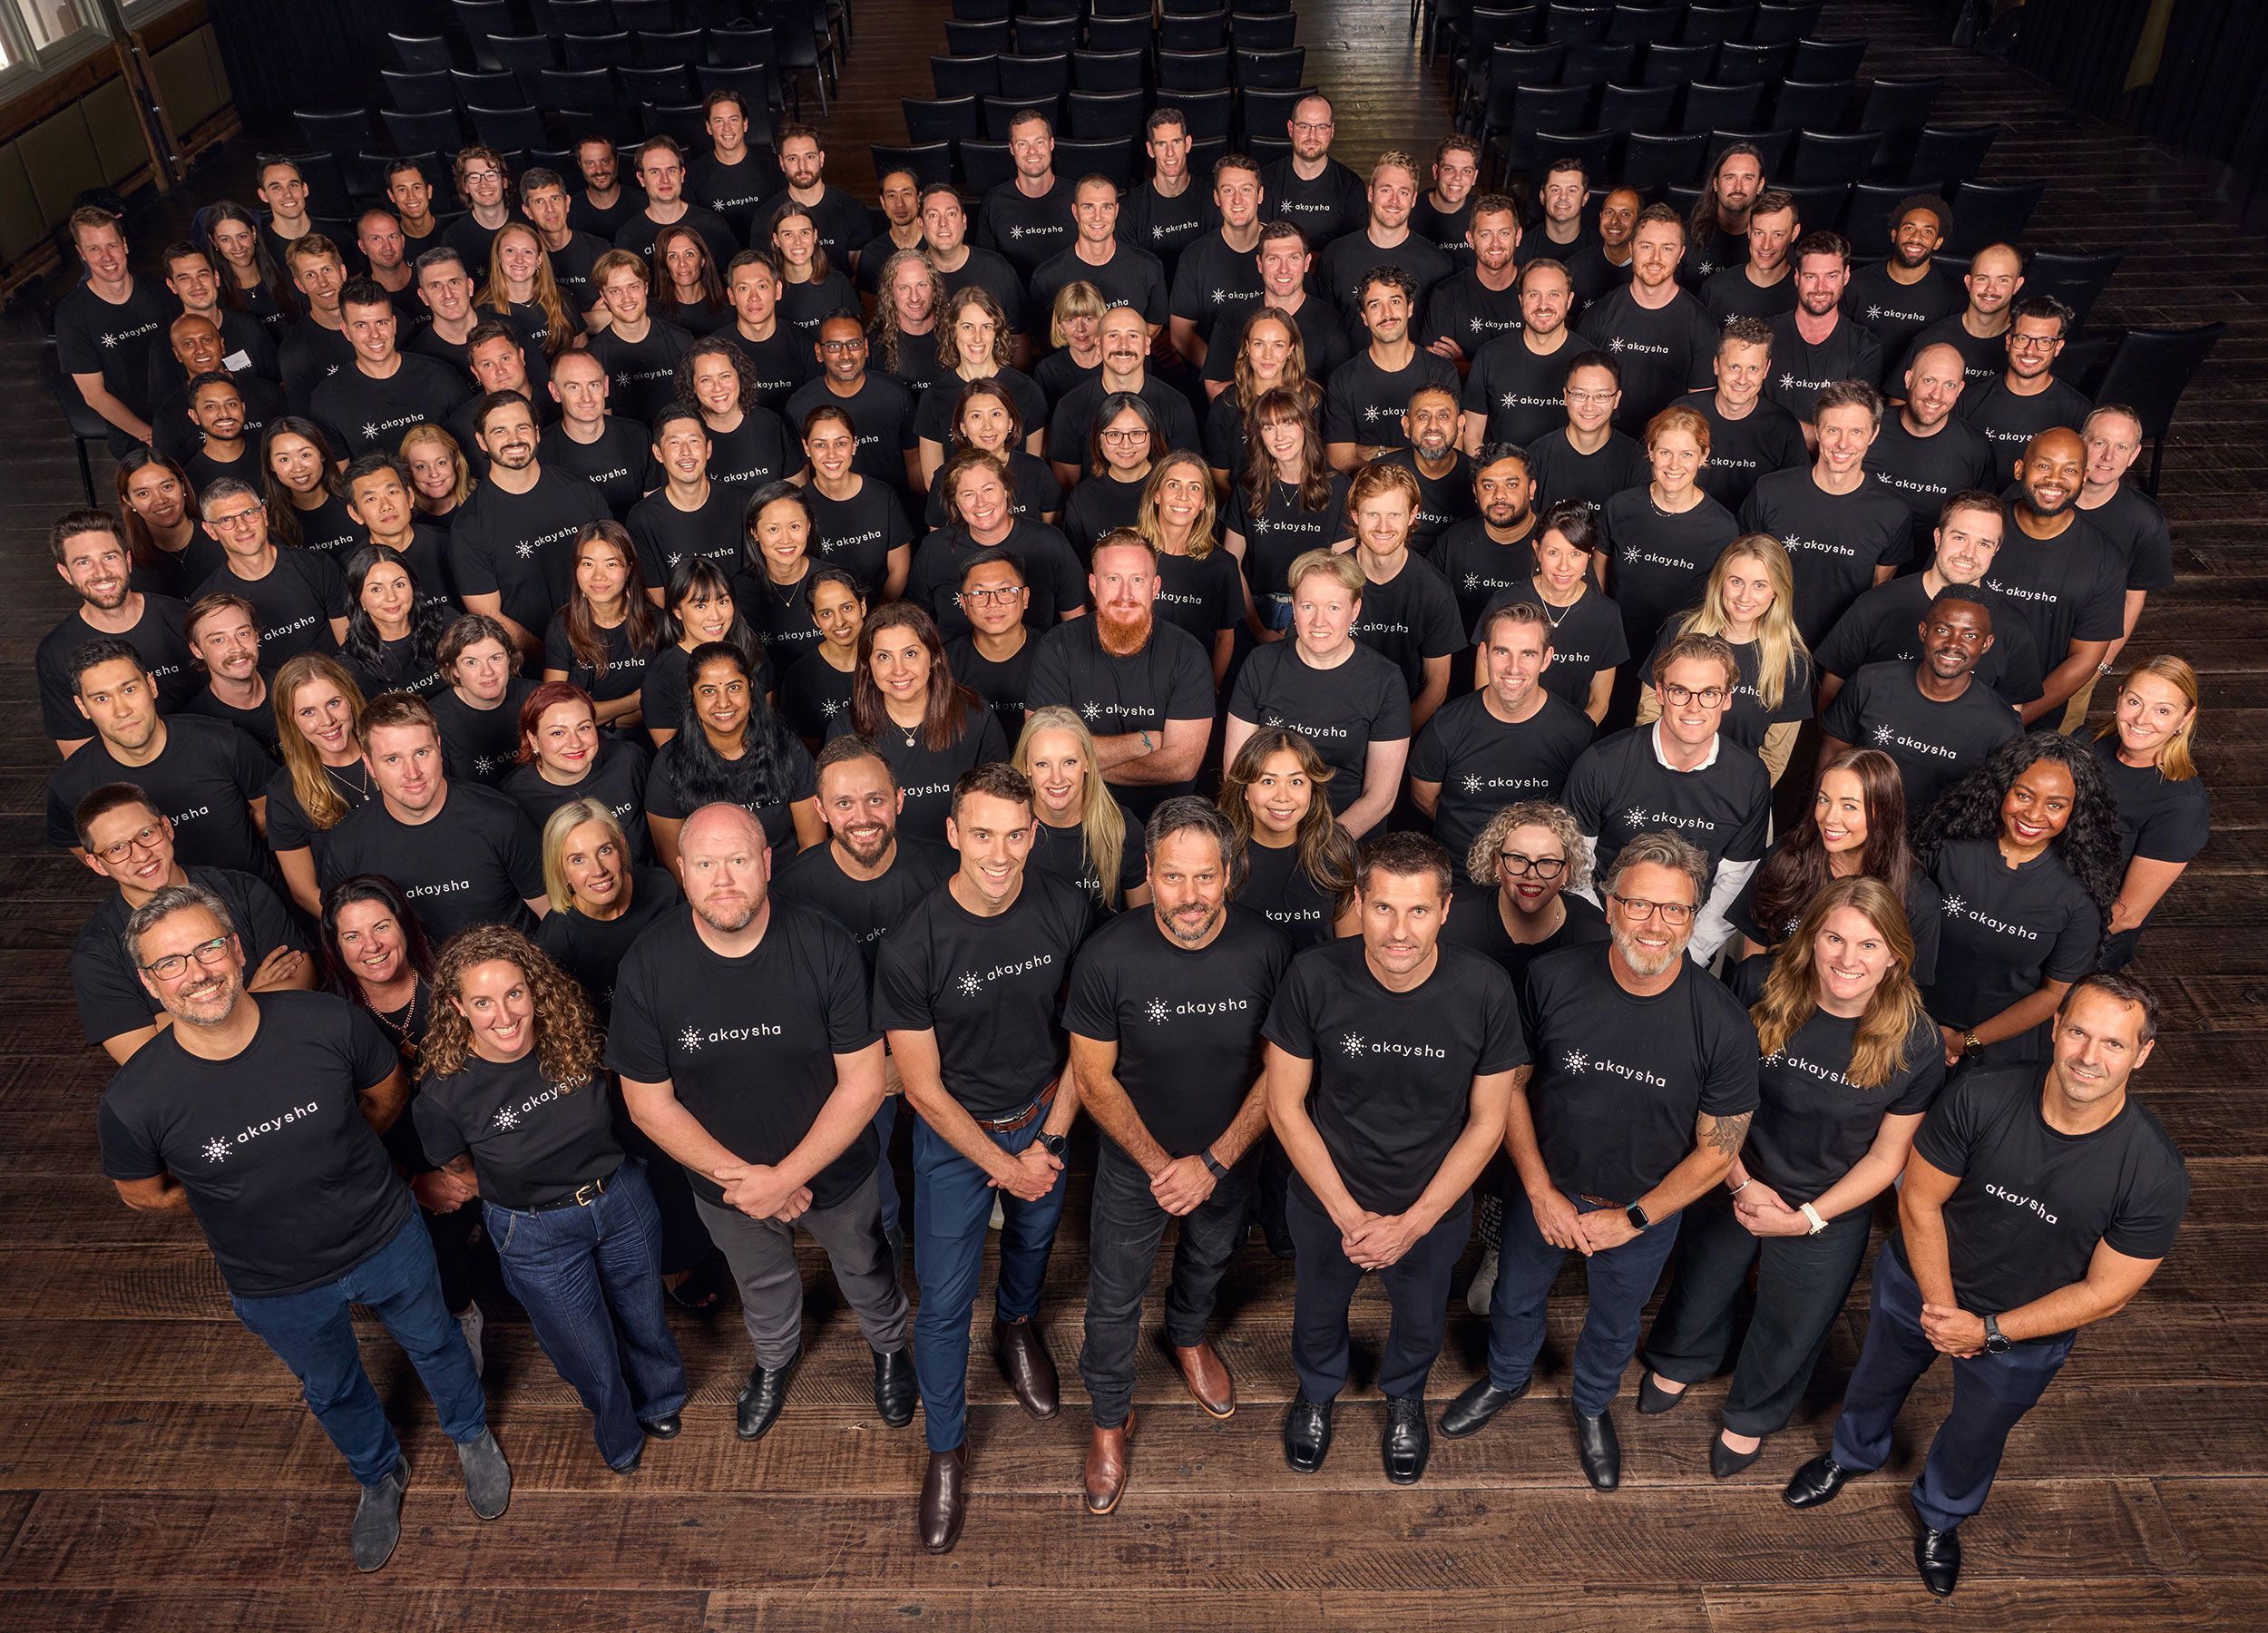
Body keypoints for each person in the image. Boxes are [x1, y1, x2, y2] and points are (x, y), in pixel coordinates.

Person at [96, 883, 507, 1571]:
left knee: (436, 1339)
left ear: (235, 948)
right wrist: (237, 1192)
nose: (195, 973)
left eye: (206, 949)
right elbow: (145, 1194)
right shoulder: (135, 1097)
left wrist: (329, 1162)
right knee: (332, 1387)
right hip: (274, 1280)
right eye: (170, 963)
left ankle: (470, 1434)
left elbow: (384, 1097)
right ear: (147, 981)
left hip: (384, 1236)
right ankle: (379, 1474)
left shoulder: (324, 1022)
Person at [1783, 973, 2188, 1599]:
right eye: (2079, 1032)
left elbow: (2109, 1291)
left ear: (2142, 1053)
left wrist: (1989, 1331)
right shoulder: (1981, 1094)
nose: (2088, 1056)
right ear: (2055, 1029)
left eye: (2113, 1044)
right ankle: (1850, 1455)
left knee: (1979, 1432)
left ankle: (1942, 1516)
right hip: (1924, 1279)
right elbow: (1918, 1199)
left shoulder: (2153, 1171)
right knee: (1876, 1376)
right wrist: (1943, 1310)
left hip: (2025, 1327)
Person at [1446, 830, 1759, 1490]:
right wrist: (1538, 1192)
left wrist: (1635, 1219)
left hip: (1643, 1209)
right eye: (1639, 905)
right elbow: (1512, 1086)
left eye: (1675, 909)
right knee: (1515, 1296)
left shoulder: (1725, 1024)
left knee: (1616, 1321)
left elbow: (1717, 1151)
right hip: (1546, 1188)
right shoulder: (1550, 979)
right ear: (1609, 905)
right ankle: (1505, 1380)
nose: (1655, 924)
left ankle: (1591, 1407)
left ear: (1693, 917)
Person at [611, 801, 917, 1442]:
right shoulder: (648, 964)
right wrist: (751, 1182)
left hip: (836, 1167)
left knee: (866, 1264)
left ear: (767, 862)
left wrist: (787, 1177)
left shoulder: (824, 944)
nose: (723, 879)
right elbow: (647, 1103)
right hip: (728, 1185)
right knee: (762, 1281)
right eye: (706, 864)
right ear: (682, 872)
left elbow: (865, 1083)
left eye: (738, 860)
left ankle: (890, 1348)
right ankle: (775, 1362)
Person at [1640, 876, 1944, 1477]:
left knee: (1793, 1321)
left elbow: (1888, 1160)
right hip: (1735, 1170)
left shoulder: (1916, 1041)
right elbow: (1707, 1095)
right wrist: (1741, 1182)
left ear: (1893, 956)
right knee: (1701, 1280)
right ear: (1811, 938)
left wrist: (1807, 1218)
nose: (1847, 959)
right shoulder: (1758, 985)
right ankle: (1682, 1356)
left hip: (1829, 1204)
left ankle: (1751, 1413)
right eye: (1834, 938)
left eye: (1867, 945)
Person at [874, 763, 1097, 1553]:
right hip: (955, 1136)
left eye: (1014, 835)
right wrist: (1007, 1166)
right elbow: (924, 1090)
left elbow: (1088, 1044)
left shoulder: (1068, 910)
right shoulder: (912, 944)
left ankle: (1016, 1327)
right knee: (940, 1299)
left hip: (1045, 1114)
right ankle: (945, 1448)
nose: (999, 853)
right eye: (982, 835)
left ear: (1034, 834)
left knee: (1033, 1244)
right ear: (953, 833)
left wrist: (1050, 1140)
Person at [1266, 830, 1525, 1485]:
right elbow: (1285, 1107)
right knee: (1318, 1310)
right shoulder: (1314, 975)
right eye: (1383, 908)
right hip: (1328, 1198)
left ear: (1445, 911)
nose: (1399, 930)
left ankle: (1405, 1396)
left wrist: (1410, 1224)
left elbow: (1488, 1122)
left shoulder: (1486, 990)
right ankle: (1317, 1392)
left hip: (1432, 1207)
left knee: (1419, 1317)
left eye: (1417, 911)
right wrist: (1351, 1216)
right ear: (1359, 902)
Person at [1068, 797, 1295, 1511]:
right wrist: (1162, 1164)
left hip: (1230, 1157)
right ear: (1149, 871)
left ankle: (1189, 1336)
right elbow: (1091, 1078)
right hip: (1139, 1163)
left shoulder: (1266, 950)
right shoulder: (1107, 956)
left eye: (1204, 878)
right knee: (1113, 1294)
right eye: (1172, 877)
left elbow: (1280, 1072)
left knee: (1210, 1258)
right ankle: (1110, 1416)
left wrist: (1217, 1162)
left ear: (1228, 873)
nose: (1189, 897)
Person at [415, 926, 689, 1473]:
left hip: (619, 1199)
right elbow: (456, 1167)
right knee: (584, 1348)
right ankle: (619, 1434)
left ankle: (662, 1400)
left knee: (643, 1314)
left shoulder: (573, 1037)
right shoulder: (443, 1093)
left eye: (515, 993)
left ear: (534, 989)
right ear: (457, 1007)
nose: (504, 1015)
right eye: (483, 1002)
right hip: (536, 1231)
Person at [773, 735, 959, 1246]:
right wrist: (877, 1068)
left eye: (876, 799)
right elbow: (799, 1010)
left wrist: (913, 1061)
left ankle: (945, 1245)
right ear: (820, 810)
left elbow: (964, 979)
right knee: (871, 1185)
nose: (863, 816)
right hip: (849, 1065)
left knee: (949, 1169)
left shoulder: (945, 870)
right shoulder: (791, 894)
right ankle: (891, 1253)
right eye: (844, 803)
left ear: (899, 800)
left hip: (938, 1048)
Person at [1562, 634, 1773, 963]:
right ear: (1660, 692)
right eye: (1680, 691)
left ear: (1727, 698)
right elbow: (1573, 866)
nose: (1694, 707)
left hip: (1687, 944)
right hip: (1602, 937)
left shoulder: (1749, 778)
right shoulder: (1602, 763)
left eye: (1709, 694)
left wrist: (1691, 953)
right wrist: (1608, 942)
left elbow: (1736, 882)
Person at [1916, 732, 2116, 1068]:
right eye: (2024, 795)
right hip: (1904, 1017)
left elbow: (2055, 993)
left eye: (2055, 804)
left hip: (1994, 1047)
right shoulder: (1948, 849)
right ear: (2002, 790)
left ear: (2076, 812)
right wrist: (1909, 1020)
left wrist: (1966, 1042)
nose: (2034, 814)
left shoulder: (2079, 898)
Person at [70, 781, 309, 1061]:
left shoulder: (245, 891)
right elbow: (142, 1057)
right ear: (97, 864)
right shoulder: (95, 955)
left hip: (286, 1049)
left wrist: (173, 1020)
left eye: (147, 834)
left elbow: (300, 981)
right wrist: (252, 992)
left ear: (167, 829)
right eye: (117, 849)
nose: (142, 854)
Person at [321, 690, 549, 941]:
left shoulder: (502, 819)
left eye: (421, 753)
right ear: (370, 765)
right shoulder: (346, 845)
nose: (412, 773)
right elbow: (344, 942)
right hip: (419, 977)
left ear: (439, 749)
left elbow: (550, 916)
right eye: (393, 759)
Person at [46, 638, 275, 882]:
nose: (122, 710)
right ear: (82, 707)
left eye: (129, 689)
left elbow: (270, 812)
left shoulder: (224, 742)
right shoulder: (70, 787)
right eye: (101, 698)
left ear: (152, 685)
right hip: (166, 912)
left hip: (255, 894)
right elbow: (87, 851)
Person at [1225, 550, 1413, 838]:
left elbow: (1380, 797)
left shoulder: (1385, 680)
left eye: (1334, 608)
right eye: (1308, 606)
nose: (1319, 621)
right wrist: (1273, 841)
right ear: (1294, 608)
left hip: (1345, 838)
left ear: (1355, 609)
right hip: (1264, 830)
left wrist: (1324, 846)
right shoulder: (1260, 665)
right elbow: (1236, 774)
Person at [1025, 530, 1217, 810]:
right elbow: (1039, 748)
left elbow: (1183, 766)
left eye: (1137, 580)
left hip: (1163, 819)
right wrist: (1145, 741)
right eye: (1113, 579)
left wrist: (1075, 763)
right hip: (1079, 813)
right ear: (1093, 585)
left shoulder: (1187, 654)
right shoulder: (1057, 647)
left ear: (1155, 587)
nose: (1125, 595)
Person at [1731, 748, 1943, 978]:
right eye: (1824, 800)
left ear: (1883, 813)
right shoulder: (1786, 856)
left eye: (1849, 806)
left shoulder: (1917, 897)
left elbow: (1905, 986)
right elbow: (1755, 943)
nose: (1829, 818)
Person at [1739, 379, 1915, 647]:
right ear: (1818, 430)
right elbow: (1740, 572)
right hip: (1764, 643)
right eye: (1834, 430)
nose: (1843, 444)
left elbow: (1875, 593)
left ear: (1874, 433)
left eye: (1856, 432)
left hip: (1836, 654)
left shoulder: (1893, 512)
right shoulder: (1770, 491)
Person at [1820, 592, 2025, 821]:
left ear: (1986, 644)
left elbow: (1992, 805)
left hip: (1935, 846)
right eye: (1943, 630)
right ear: (1923, 631)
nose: (1953, 644)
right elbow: (1833, 754)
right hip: (1858, 827)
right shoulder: (1869, 683)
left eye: (1970, 635)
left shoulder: (2002, 725)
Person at [1410, 600, 1594, 855]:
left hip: (1537, 882)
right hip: (1461, 879)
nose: (1513, 668)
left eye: (1528, 654)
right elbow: (1424, 797)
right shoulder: (1446, 725)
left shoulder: (1578, 733)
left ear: (1546, 659)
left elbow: (1584, 815)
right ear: (1485, 654)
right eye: (1502, 652)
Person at [1635, 533, 1813, 783]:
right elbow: (1649, 714)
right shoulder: (1681, 631)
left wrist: (1736, 799)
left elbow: (1774, 759)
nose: (1744, 596)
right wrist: (1663, 776)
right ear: (1720, 582)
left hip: (1736, 791)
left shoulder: (1791, 662)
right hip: (1662, 775)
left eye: (1760, 585)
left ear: (1777, 591)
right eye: (1736, 581)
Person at [832, 601, 1010, 842]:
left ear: (933, 658)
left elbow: (1000, 803)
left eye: (910, 654)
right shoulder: (847, 727)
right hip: (885, 865)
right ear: (867, 664)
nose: (898, 670)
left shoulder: (976, 715)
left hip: (961, 861)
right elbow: (842, 815)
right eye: (884, 657)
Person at [448, 392, 608, 659]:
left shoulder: (582, 491)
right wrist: (553, 656)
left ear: (536, 432)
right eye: (500, 431)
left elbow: (620, 567)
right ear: (482, 441)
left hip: (606, 644)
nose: (513, 439)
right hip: (537, 664)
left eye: (521, 427)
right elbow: (488, 615)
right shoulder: (469, 527)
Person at [1992, 428, 2127, 726]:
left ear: (2084, 477)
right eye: (2044, 466)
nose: (2054, 479)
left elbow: (2085, 659)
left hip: (2034, 718)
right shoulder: (1980, 527)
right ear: (2019, 469)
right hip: (1952, 696)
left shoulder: (2105, 559)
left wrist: (2017, 717)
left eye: (2070, 470)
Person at [1600, 403, 1740, 687]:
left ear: (1704, 456)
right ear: (1650, 452)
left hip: (1681, 657)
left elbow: (1719, 604)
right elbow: (1597, 574)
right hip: (1617, 648)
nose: (1674, 465)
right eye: (1665, 452)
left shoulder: (1722, 528)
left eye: (1686, 454)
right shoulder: (1620, 507)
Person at [646, 642, 824, 864]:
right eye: (709, 691)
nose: (723, 702)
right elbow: (675, 863)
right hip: (712, 893)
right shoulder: (669, 764)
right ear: (693, 696)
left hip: (789, 885)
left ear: (750, 687)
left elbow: (813, 843)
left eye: (734, 687)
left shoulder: (787, 747)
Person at [39, 509, 197, 754]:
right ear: (66, 573)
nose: (101, 573)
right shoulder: (56, 651)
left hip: (204, 755)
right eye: (83, 562)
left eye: (109, 557)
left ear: (128, 561)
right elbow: (78, 753)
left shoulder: (182, 617)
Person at [2090, 656, 2208, 969]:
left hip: (2085, 943)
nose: (2142, 719)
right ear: (2119, 698)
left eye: (2163, 710)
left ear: (2184, 719)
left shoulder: (2181, 803)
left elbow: (2128, 914)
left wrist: (2039, 939)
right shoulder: (2086, 745)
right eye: (2134, 701)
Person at [907, 450, 1089, 640]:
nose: (981, 503)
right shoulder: (935, 549)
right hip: (955, 663)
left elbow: (1075, 624)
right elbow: (915, 622)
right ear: (956, 503)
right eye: (969, 494)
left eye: (988, 489)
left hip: (1037, 662)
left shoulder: (1049, 542)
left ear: (1006, 490)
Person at [1335, 461, 1463, 728]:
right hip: (1335, 722)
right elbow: (1301, 665)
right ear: (1355, 516)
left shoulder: (1435, 591)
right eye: (1372, 514)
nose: (1383, 527)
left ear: (1412, 515)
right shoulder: (1330, 580)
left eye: (1394, 514)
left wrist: (1393, 741)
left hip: (1405, 725)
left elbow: (1436, 687)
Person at [1442, 797, 1609, 998]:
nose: (1531, 874)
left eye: (1547, 861)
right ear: (1496, 863)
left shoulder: (1596, 934)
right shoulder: (1450, 917)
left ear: (1567, 870)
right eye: (1518, 859)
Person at [532, 798, 683, 1021]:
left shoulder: (662, 887)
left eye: (604, 850)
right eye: (578, 860)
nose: (598, 870)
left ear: (621, 848)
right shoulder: (556, 941)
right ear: (561, 872)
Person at [1577, 204, 1721, 433]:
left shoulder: (1702, 327)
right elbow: (1579, 394)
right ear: (1632, 248)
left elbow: (1699, 412)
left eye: (1667, 248)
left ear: (1681, 254)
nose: (1655, 258)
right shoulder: (1598, 315)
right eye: (1647, 246)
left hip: (1667, 451)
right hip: (1605, 443)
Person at [1222, 386, 1353, 638]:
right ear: (1260, 435)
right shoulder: (1248, 487)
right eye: (1269, 427)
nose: (1279, 436)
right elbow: (1231, 564)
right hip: (1254, 609)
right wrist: (1258, 629)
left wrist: (1297, 628)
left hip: (1315, 615)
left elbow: (1342, 572)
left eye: (1287, 423)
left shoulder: (1338, 487)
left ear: (1305, 425)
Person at [1219, 726, 1357, 946]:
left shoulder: (1335, 848)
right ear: (1245, 790)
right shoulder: (1218, 850)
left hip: (1316, 981)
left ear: (1312, 789)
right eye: (1268, 781)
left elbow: (1349, 951)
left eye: (1296, 782)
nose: (1283, 797)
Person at [192, 477, 350, 667]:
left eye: (249, 513)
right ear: (210, 530)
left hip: (333, 682)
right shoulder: (206, 600)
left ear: (264, 515)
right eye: (226, 520)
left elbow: (348, 645)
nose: (242, 527)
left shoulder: (317, 565)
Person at [1044, 304, 1203, 487]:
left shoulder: (1177, 405)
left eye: (1133, 336)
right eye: (1113, 336)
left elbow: (1188, 481)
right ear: (1098, 345)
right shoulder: (1069, 408)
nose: (1123, 346)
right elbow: (1066, 490)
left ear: (1147, 345)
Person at [1864, 340, 1998, 558]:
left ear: (1960, 389)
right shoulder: (1868, 428)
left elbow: (1982, 522)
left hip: (1932, 568)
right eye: (1929, 380)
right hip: (1865, 558)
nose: (1937, 395)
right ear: (1908, 380)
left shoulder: (1976, 449)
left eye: (1949, 385)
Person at [263, 654, 374, 915]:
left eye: (334, 703)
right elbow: (304, 892)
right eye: (308, 712)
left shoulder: (389, 749)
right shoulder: (284, 792)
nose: (327, 721)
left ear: (350, 699)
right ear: (292, 721)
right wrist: (361, 927)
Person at [1322, 267, 1461, 472]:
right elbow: (1340, 460)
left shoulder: (1442, 373)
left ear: (1410, 308)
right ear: (1364, 317)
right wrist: (1414, 455)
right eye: (1375, 305)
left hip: (1431, 497)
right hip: (1368, 496)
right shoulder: (1343, 380)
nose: (1387, 314)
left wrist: (1373, 452)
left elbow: (1451, 452)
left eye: (1395, 302)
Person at [54, 206, 171, 451]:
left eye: (112, 245)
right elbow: (95, 396)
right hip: (134, 436)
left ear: (125, 245)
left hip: (182, 418)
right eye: (94, 249)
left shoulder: (162, 293)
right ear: (81, 254)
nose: (107, 257)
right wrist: (150, 436)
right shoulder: (71, 314)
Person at [2075, 405, 2177, 675]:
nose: (2108, 456)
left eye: (2121, 448)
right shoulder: (2045, 496)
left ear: (2134, 456)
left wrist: (2101, 664)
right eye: (2100, 443)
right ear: (2080, 442)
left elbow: (2133, 598)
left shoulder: (2145, 520)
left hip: (2084, 654)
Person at [1015, 707, 1148, 915]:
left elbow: (1143, 922)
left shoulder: (1121, 827)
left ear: (1087, 762)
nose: (1057, 778)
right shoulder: (1008, 832)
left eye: (1069, 762)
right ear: (1027, 767)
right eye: (1043, 764)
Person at [911, 287, 1049, 487]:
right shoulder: (933, 398)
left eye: (986, 326)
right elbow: (933, 481)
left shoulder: (1027, 390)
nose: (977, 338)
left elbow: (1036, 470)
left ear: (997, 331)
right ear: (952, 330)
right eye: (967, 327)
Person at [503, 682, 653, 864]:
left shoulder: (628, 759)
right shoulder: (513, 799)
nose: (575, 743)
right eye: (558, 733)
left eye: (583, 728)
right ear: (534, 740)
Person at [1959, 296, 2094, 484]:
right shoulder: (1967, 398)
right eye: (2023, 338)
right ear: (2008, 341)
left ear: (2058, 347)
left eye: (2044, 341)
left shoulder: (2078, 412)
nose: (2030, 351)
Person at [543, 521, 661, 732]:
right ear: (576, 568)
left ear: (628, 570)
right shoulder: (562, 626)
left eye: (611, 564)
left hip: (655, 735)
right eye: (588, 564)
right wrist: (634, 701)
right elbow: (554, 710)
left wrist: (601, 717)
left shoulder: (657, 621)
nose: (598, 576)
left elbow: (670, 700)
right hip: (586, 743)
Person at [782, 311, 917, 494]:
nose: (845, 355)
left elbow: (914, 462)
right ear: (819, 352)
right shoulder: (800, 406)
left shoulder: (896, 394)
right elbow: (800, 477)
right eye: (834, 346)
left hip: (893, 505)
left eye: (853, 344)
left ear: (866, 348)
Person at [639, 558, 765, 746]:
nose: (715, 617)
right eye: (700, 606)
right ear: (677, 611)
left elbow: (766, 721)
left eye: (722, 601)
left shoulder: (750, 647)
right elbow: (671, 756)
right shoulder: (661, 678)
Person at [1764, 233, 1883, 432]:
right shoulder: (1764, 338)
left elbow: (1853, 430)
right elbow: (1747, 412)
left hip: (1832, 461)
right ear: (1797, 277)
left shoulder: (1865, 347)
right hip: (1767, 457)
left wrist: (1782, 430)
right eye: (1811, 277)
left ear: (1845, 276)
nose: (1820, 288)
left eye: (1831, 276)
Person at [1028, 175, 1169, 341]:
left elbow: (1154, 323)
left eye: (1106, 207)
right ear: (1075, 212)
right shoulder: (1046, 278)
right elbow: (1040, 340)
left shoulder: (1149, 266)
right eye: (1088, 207)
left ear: (1116, 211)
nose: (1097, 217)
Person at [1316, 150, 1454, 318]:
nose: (1394, 201)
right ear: (1370, 193)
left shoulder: (1438, 265)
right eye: (1385, 190)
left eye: (1403, 192)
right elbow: (1323, 326)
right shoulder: (1335, 255)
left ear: (1413, 200)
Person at [1461, 259, 1579, 452]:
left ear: (1569, 300)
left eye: (1554, 295)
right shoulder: (1489, 356)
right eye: (1534, 294)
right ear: (1521, 300)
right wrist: (1491, 478)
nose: (1543, 305)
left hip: (1566, 479)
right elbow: (1472, 436)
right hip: (1501, 478)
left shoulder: (1589, 362)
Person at [804, 402, 919, 597]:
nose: (831, 454)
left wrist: (875, 622)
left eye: (841, 443)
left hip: (882, 613)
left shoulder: (883, 496)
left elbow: (899, 571)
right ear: (807, 448)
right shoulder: (798, 505)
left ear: (854, 445)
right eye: (820, 445)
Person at [1201, 304, 1324, 484]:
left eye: (1278, 345)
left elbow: (1318, 467)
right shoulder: (1226, 405)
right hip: (1242, 506)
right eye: (1259, 344)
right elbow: (1219, 480)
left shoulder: (1311, 400)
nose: (1268, 355)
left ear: (1290, 350)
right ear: (1247, 346)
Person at [1844, 194, 1962, 381]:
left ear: (1938, 242)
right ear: (1894, 235)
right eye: (1909, 228)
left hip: (1911, 398)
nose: (1916, 238)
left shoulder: (1953, 296)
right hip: (1856, 389)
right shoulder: (1856, 284)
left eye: (1927, 232)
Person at [1165, 154, 1266, 371]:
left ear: (1260, 195)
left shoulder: (1283, 249)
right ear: (1217, 197)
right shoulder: (1194, 257)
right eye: (1228, 190)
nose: (1237, 200)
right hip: (1217, 382)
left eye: (1246, 189)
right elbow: (1180, 334)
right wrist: (1225, 375)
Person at [626, 406, 746, 585]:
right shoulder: (642, 519)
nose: (686, 452)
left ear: (708, 448)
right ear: (658, 453)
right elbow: (656, 594)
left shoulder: (743, 503)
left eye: (694, 441)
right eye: (674, 442)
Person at [1430, 443, 1539, 638]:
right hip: (1462, 663)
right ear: (1475, 492)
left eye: (1511, 484)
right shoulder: (1452, 542)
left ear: (1531, 489)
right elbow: (1425, 611)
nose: (1499, 496)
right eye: (1489, 486)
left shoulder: (1556, 544)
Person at [583, 249, 697, 426]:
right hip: (630, 449)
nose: (626, 298)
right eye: (615, 291)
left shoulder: (682, 340)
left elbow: (697, 406)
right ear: (603, 296)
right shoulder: (593, 357)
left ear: (646, 287)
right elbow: (605, 424)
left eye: (633, 287)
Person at [543, 348, 657, 522]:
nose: (586, 398)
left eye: (593, 385)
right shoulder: (542, 451)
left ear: (606, 386)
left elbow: (655, 510)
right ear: (555, 392)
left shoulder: (638, 435)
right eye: (574, 387)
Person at [1523, 352, 1647, 512]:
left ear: (1616, 399)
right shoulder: (1536, 457)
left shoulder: (1637, 462)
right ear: (1566, 396)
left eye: (1601, 396)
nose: (1589, 406)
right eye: (1580, 394)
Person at [427, 612, 536, 787]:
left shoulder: (538, 697)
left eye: (495, 658)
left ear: (509, 658)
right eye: (471, 662)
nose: (487, 671)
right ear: (454, 669)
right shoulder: (434, 722)